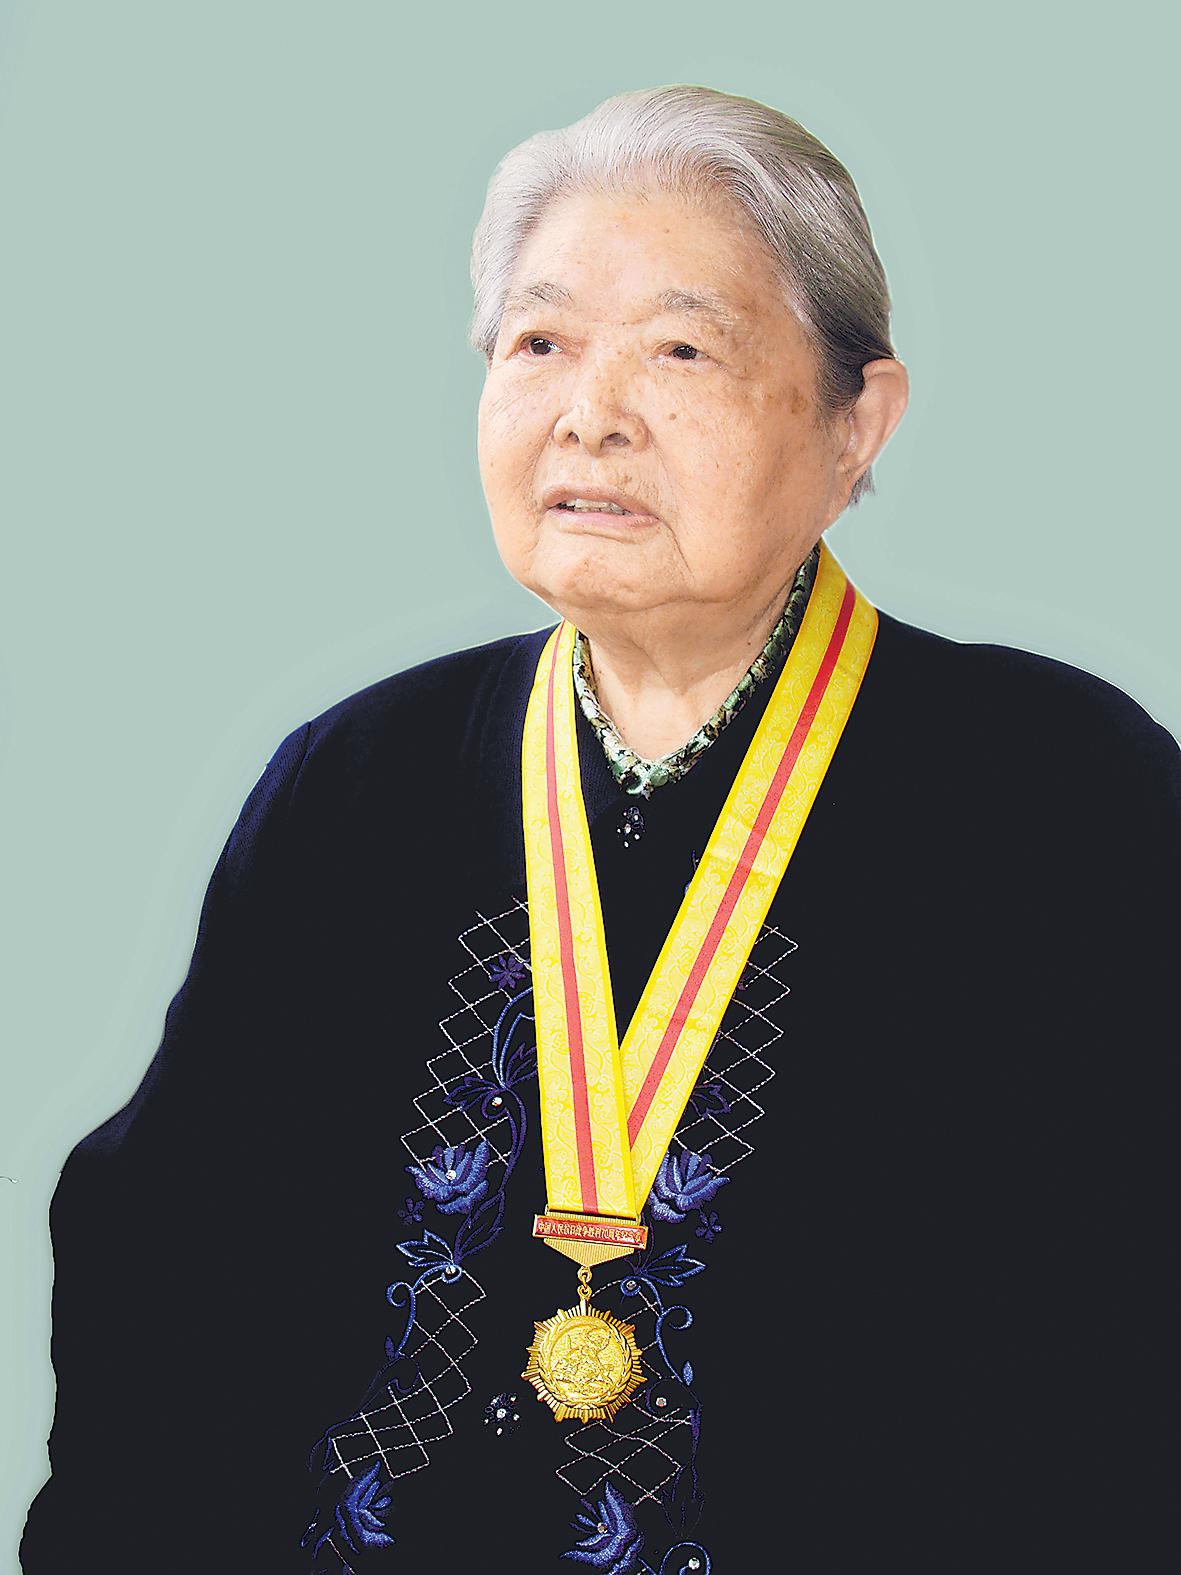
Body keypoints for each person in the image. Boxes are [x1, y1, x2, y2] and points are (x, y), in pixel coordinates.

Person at [22, 84, 1178, 1573]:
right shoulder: (356, 782)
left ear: (857, 421)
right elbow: (176, 1268)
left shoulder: (1056, 793)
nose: (590, 414)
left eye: (679, 350)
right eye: (540, 344)